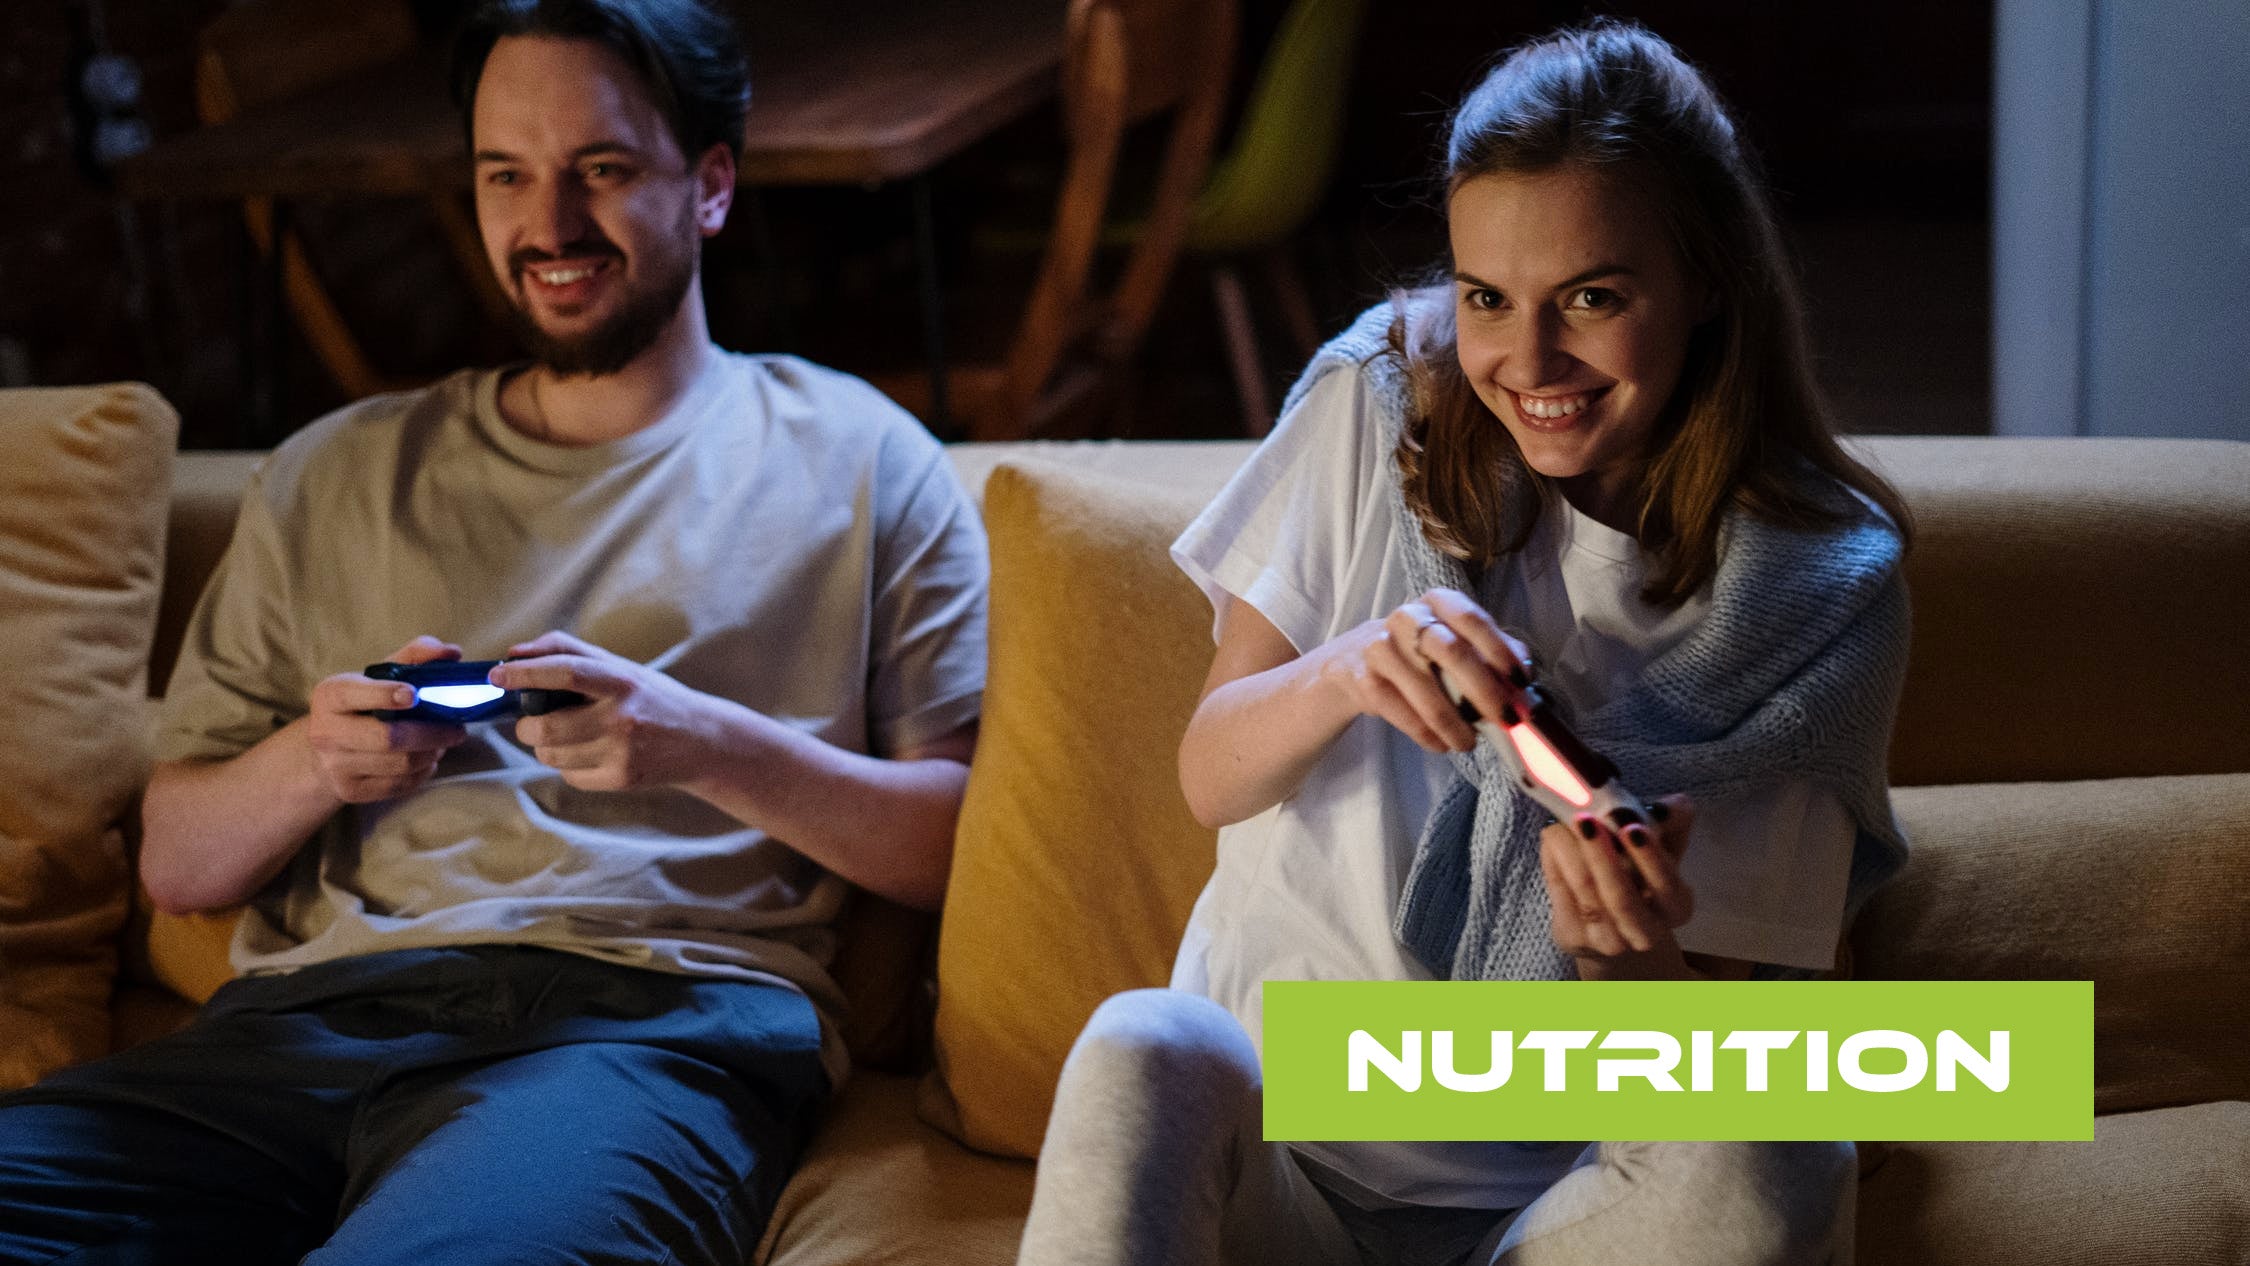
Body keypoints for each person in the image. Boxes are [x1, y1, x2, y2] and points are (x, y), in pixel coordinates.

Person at [0, 1, 986, 1261]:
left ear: (713, 186)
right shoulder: (334, 472)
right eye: (505, 176)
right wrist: (317, 762)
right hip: (298, 1037)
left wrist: (704, 744)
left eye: (604, 170)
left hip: (640, 1033)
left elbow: (954, 839)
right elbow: (178, 865)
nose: (550, 226)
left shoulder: (861, 459)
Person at [1017, 19, 1911, 1266]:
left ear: (1707, 280)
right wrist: (1346, 668)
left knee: (1784, 1146)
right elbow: (1209, 774)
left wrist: (1625, 961)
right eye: (1488, 296)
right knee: (1140, 1046)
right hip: (1282, 1169)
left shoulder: (1811, 593)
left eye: (1591, 297)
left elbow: (1702, 1070)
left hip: (1551, 1216)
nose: (1528, 360)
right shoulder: (1372, 401)